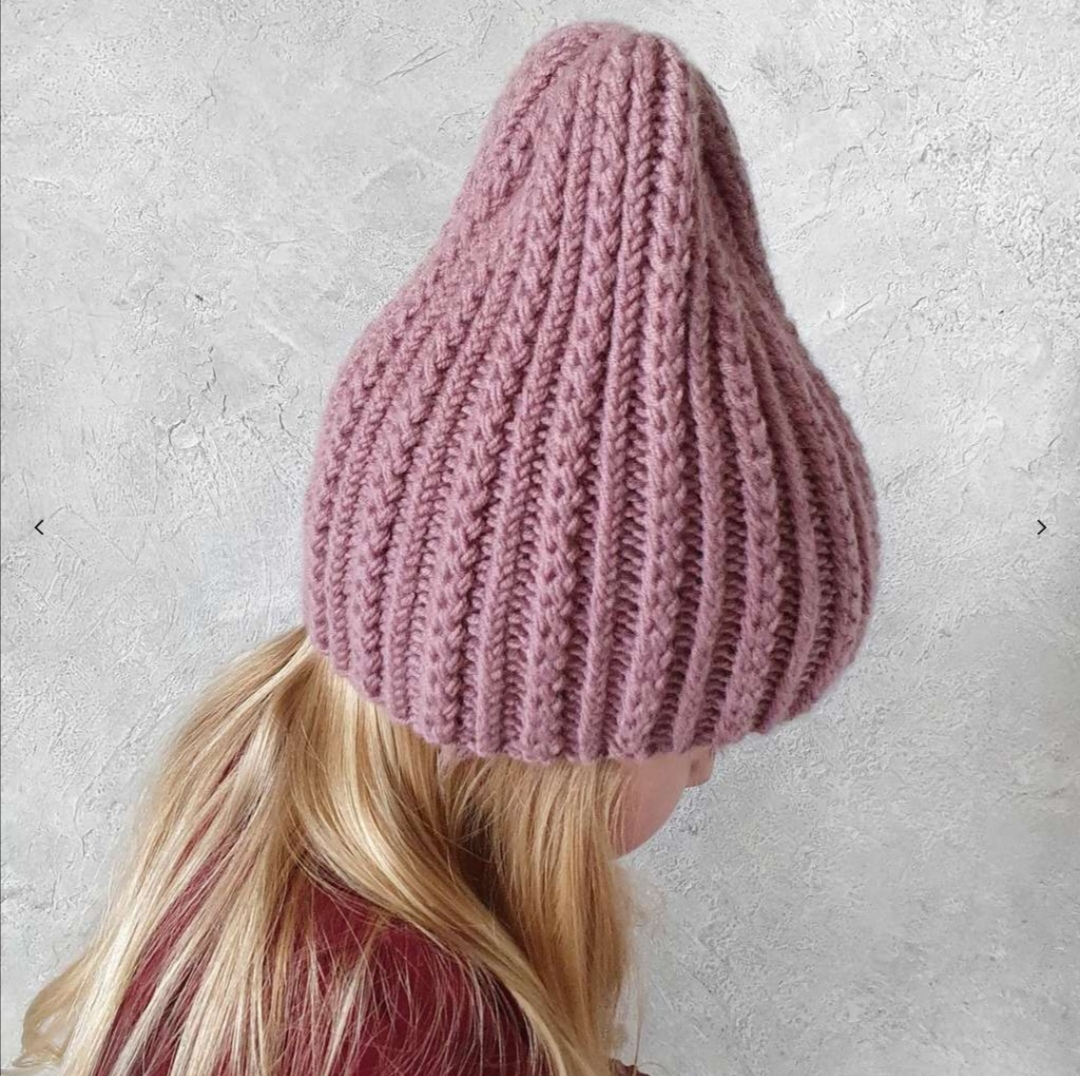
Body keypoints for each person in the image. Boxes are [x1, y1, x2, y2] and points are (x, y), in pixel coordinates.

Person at [11, 19, 880, 1076]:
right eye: (697, 725)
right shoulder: (415, 1038)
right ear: (544, 726)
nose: (704, 766)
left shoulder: (265, 838)